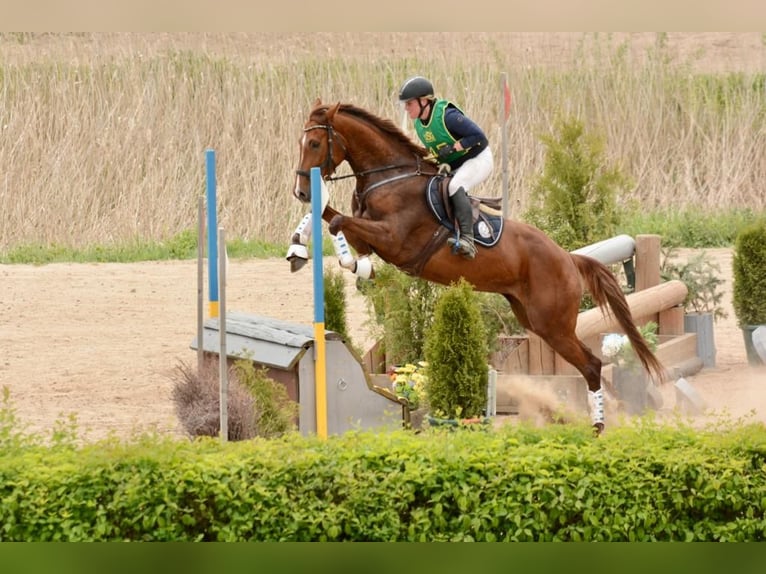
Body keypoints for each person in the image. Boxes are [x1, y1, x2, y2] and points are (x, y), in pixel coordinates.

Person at [398, 75, 494, 260]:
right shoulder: (419, 123)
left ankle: (468, 239)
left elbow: (479, 136)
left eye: (409, 103)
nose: (406, 108)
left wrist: (454, 148)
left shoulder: (448, 116)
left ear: (423, 101)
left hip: (479, 158)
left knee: (454, 186)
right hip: (457, 164)